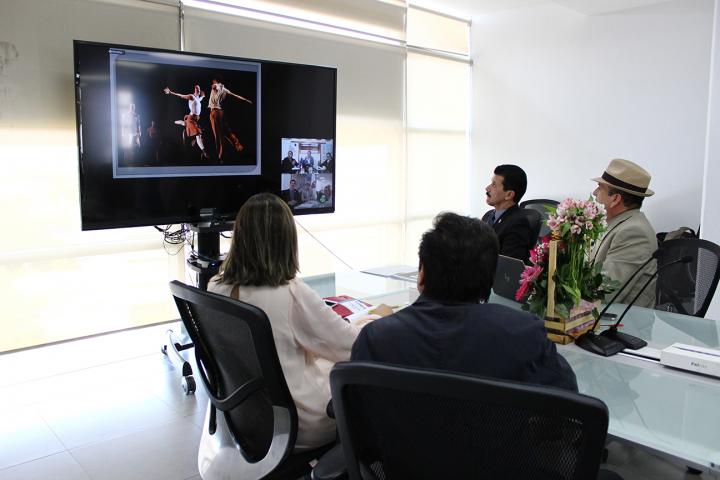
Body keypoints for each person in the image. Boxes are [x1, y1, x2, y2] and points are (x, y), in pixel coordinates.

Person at [208, 193, 389, 450]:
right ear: (286, 240)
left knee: (325, 357)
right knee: (362, 369)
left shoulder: (216, 287)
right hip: (299, 424)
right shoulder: (291, 293)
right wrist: (374, 318)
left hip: (249, 416)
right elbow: (352, 346)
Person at [352, 211, 578, 392]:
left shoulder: (377, 337)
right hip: (497, 449)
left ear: (421, 274)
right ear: (491, 279)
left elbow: (352, 411)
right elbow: (568, 404)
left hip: (397, 449)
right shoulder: (524, 333)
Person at [591, 158, 657, 308]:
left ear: (615, 199)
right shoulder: (619, 223)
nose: (595, 193)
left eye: (600, 188)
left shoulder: (634, 233)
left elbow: (605, 293)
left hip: (619, 326)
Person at [482, 164, 533, 263]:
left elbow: (508, 267)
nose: (487, 188)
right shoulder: (488, 215)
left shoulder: (518, 223)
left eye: (494, 185)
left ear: (509, 195)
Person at [208, 76, 252, 160]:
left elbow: (215, 87)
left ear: (215, 81)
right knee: (227, 131)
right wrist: (246, 100)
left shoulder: (216, 86)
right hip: (221, 112)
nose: (212, 84)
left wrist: (215, 87)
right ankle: (238, 145)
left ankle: (220, 158)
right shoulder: (225, 89)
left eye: (213, 82)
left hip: (215, 113)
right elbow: (236, 96)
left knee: (218, 136)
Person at [163, 84, 209, 160]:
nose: (198, 90)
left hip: (195, 119)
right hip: (191, 118)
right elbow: (181, 96)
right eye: (197, 89)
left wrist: (203, 96)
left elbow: (199, 100)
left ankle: (180, 123)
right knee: (198, 134)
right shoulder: (191, 96)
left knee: (186, 124)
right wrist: (171, 92)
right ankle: (204, 152)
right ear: (194, 90)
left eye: (199, 89)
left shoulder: (197, 98)